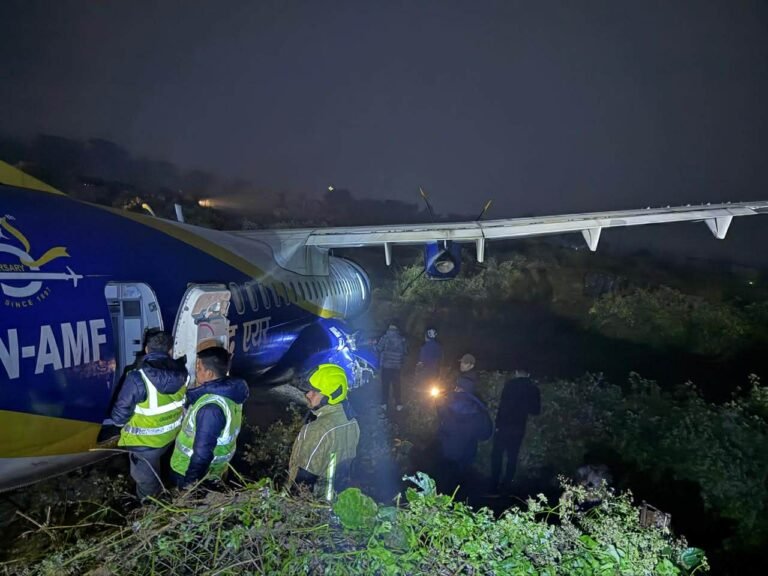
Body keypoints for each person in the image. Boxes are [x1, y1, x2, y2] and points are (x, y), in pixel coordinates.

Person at [111, 330, 188, 500]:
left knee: (148, 490)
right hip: (170, 438)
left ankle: (152, 516)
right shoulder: (183, 373)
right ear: (169, 350)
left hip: (144, 446)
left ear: (146, 349)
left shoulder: (137, 378)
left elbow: (118, 418)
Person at [170, 346, 249, 489]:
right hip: (215, 471)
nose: (196, 371)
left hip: (189, 471)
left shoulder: (211, 409)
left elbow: (202, 453)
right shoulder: (231, 394)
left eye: (199, 369)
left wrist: (190, 484)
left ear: (210, 373)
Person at [288, 364, 360, 501]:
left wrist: (291, 508)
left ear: (329, 397)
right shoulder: (351, 421)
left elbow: (302, 484)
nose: (308, 394)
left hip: (314, 505)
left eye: (315, 392)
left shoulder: (318, 430)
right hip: (336, 501)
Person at [435, 353, 493, 493]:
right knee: (460, 490)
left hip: (447, 454)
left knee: (443, 487)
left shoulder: (446, 403)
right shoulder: (479, 412)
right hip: (466, 456)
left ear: (459, 388)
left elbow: (440, 414)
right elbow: (486, 434)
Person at [490, 369, 540, 493]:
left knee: (497, 454)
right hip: (519, 427)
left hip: (504, 425)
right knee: (512, 457)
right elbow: (536, 411)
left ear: (517, 372)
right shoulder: (533, 389)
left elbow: (502, 406)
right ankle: (507, 484)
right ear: (528, 374)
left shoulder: (509, 385)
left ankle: (494, 483)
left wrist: (497, 424)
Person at [376, 323, 407, 411]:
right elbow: (405, 352)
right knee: (397, 385)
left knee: (385, 385)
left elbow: (378, 348)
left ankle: (384, 404)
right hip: (397, 366)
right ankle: (398, 404)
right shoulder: (401, 339)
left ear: (389, 328)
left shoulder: (385, 337)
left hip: (386, 366)